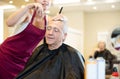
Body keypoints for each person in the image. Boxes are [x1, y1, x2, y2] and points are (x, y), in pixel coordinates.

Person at [15, 14, 85, 79]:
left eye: (56, 30)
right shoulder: (39, 51)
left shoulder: (72, 55)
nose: (50, 33)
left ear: (64, 36)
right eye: (48, 29)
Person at [0, 0, 52, 79]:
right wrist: (27, 7)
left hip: (23, 61)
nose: (45, 1)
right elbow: (9, 23)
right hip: (6, 56)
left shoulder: (48, 21)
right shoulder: (28, 13)